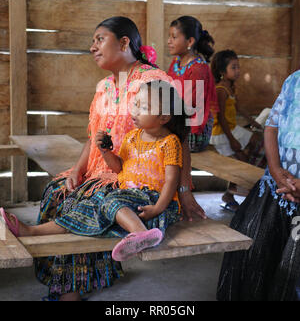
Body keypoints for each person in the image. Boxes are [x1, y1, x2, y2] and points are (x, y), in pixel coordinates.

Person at [1, 17, 206, 301]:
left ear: (124, 43)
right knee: (55, 192)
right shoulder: (104, 87)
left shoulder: (152, 80)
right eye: (92, 41)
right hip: (105, 166)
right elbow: (94, 137)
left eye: (99, 39)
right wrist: (77, 169)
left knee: (77, 203)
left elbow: (179, 137)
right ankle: (76, 280)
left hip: (129, 176)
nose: (92, 47)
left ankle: (69, 290)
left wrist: (184, 191)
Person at [0, 80, 188, 263]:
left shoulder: (170, 143)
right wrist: (105, 151)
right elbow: (119, 167)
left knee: (111, 201)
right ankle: (31, 231)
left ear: (164, 118)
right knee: (86, 209)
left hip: (153, 201)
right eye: (135, 104)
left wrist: (158, 208)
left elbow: (172, 181)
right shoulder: (132, 137)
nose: (136, 111)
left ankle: (140, 234)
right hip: (129, 197)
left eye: (144, 107)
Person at [217, 70, 300, 301]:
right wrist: (274, 168)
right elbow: (272, 126)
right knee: (251, 248)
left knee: (291, 272)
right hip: (278, 186)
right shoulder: (294, 80)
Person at [210, 50, 264, 211]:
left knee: (256, 143)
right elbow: (220, 118)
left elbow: (239, 108)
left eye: (238, 67)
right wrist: (232, 140)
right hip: (222, 132)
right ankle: (232, 191)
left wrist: (255, 122)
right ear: (222, 72)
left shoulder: (231, 88)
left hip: (232, 129)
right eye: (233, 68)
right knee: (240, 160)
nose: (238, 71)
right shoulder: (220, 89)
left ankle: (236, 190)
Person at [167, 16, 218, 153]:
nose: (169, 41)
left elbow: (188, 107)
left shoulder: (198, 68)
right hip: (178, 121)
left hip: (193, 131)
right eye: (169, 37)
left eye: (174, 37)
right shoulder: (176, 62)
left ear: (190, 41)